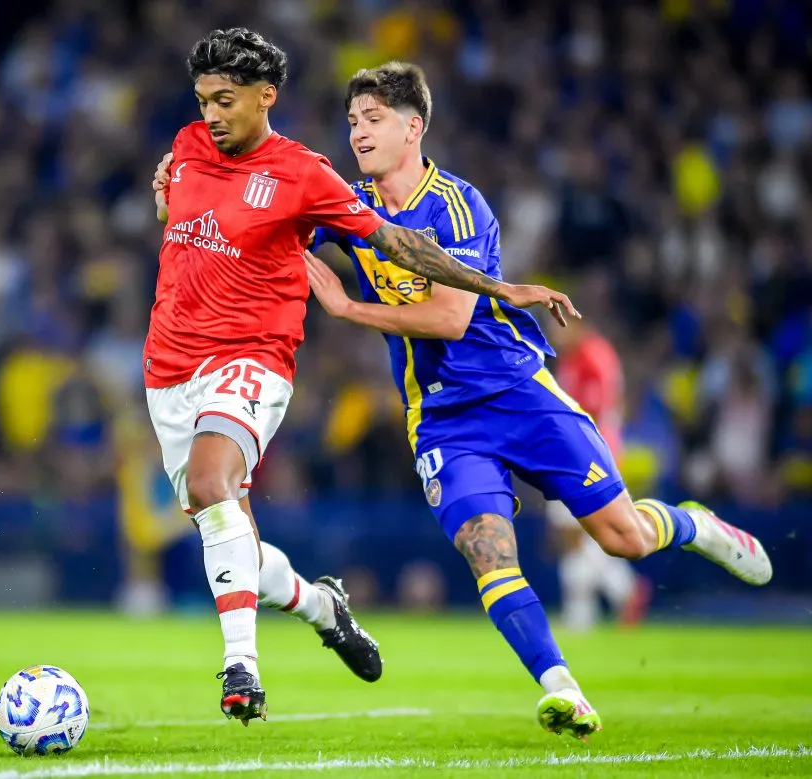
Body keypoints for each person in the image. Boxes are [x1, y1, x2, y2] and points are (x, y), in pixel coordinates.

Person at [301, 61, 773, 740]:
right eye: (351, 121)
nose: (358, 133)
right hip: (441, 417)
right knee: (486, 547)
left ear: (414, 127)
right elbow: (279, 229)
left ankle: (696, 525)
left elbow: (449, 317)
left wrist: (347, 307)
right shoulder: (350, 207)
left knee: (624, 539)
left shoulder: (459, 206)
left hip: (518, 393)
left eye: (373, 119)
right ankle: (564, 690)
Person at [147, 28, 580, 726]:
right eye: (202, 101)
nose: (211, 115)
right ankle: (324, 606)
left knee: (209, 485)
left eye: (224, 100)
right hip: (169, 369)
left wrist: (498, 289)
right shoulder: (190, 148)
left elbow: (400, 242)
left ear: (266, 96)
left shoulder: (305, 174)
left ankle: (241, 669)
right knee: (235, 546)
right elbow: (184, 223)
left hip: (254, 357)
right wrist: (165, 206)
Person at [544, 319, 652, 631]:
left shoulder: (594, 357)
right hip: (576, 449)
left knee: (575, 532)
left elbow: (596, 410)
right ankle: (595, 605)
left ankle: (615, 594)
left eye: (558, 329)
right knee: (577, 533)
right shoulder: (574, 357)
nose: (555, 336)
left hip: (588, 452)